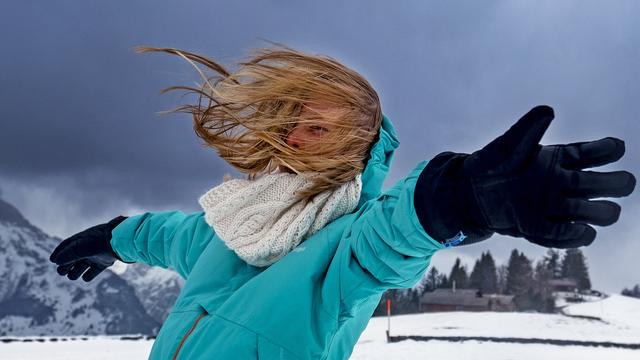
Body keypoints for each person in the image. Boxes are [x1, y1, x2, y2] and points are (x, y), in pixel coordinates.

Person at [49, 43, 636, 359]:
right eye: (296, 122)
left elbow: (391, 237)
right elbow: (174, 235)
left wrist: (457, 198)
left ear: (356, 151)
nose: (297, 138)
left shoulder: (347, 246)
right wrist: (115, 233)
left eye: (321, 131)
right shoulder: (237, 222)